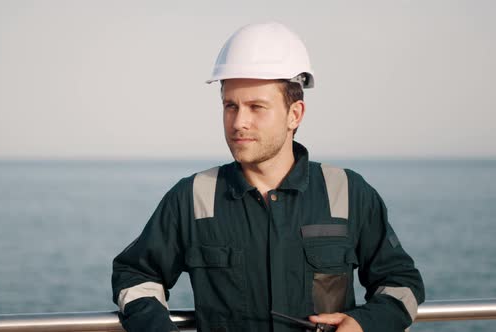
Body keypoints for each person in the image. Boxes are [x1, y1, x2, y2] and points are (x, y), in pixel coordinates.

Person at [112, 22, 424, 332]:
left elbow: (402, 285)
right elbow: (136, 277)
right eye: (230, 106)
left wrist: (364, 323)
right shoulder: (192, 197)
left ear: (295, 114)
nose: (239, 122)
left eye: (256, 107)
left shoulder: (347, 192)